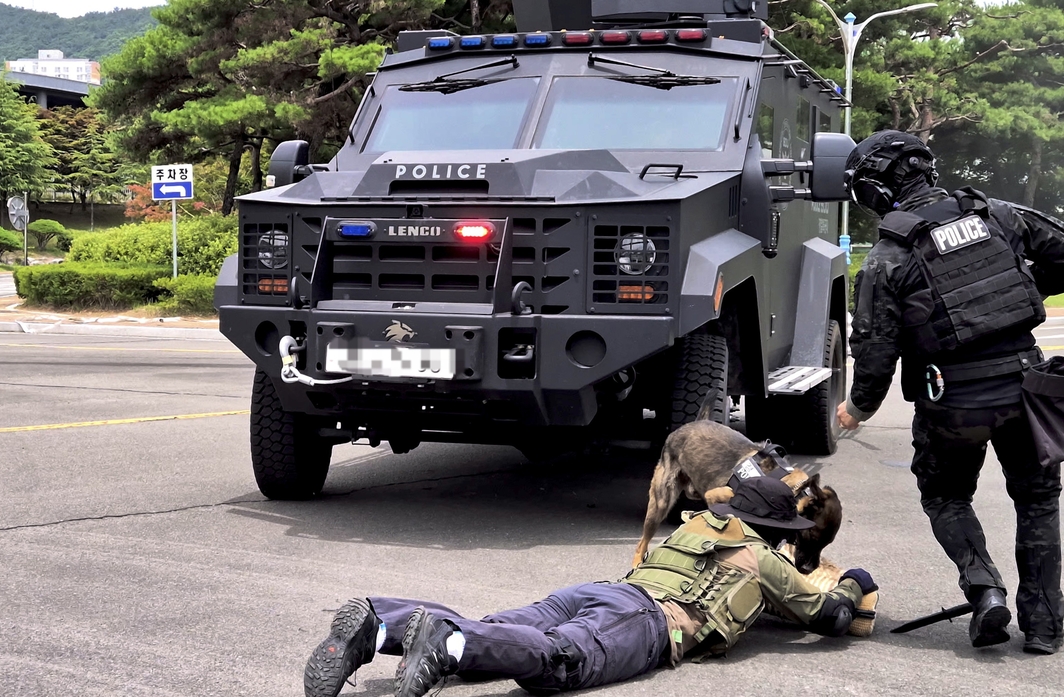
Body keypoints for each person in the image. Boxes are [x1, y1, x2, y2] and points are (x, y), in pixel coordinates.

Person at [302, 477, 874, 697]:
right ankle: (449, 643)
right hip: (646, 620)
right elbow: (830, 618)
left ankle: (379, 623)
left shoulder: (698, 524)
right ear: (779, 529)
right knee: (562, 662)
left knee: (502, 629)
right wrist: (854, 583)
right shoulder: (767, 563)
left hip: (600, 592)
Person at [837, 129, 1064, 654]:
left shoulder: (888, 257)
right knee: (1036, 501)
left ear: (875, 189)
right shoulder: (999, 215)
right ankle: (1045, 627)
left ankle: (985, 592)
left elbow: (875, 348)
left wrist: (858, 407)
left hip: (952, 401)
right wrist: (1023, 287)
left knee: (945, 495)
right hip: (1026, 390)